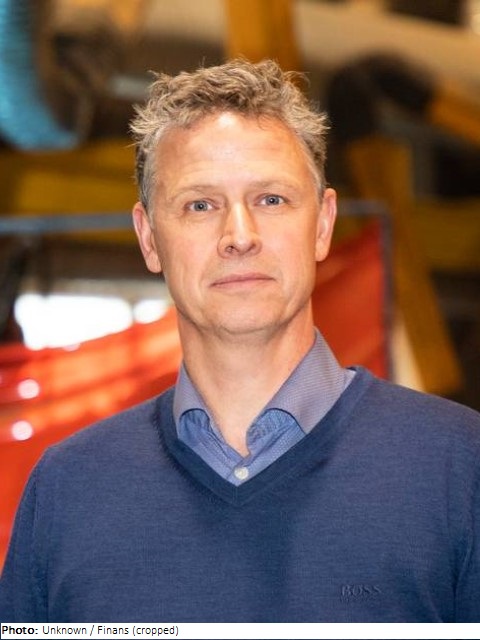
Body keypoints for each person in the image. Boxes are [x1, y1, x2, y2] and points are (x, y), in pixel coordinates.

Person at [1, 58, 480, 623]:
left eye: (270, 199)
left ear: (323, 224)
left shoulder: (459, 467)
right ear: (149, 238)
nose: (239, 236)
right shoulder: (67, 490)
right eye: (199, 205)